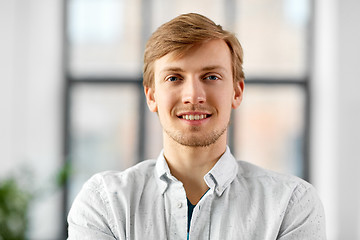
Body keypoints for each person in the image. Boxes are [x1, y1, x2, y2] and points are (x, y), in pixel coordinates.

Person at [67, 13, 326, 239]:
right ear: (151, 96)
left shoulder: (291, 204)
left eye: (211, 77)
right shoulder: (105, 203)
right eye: (174, 78)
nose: (193, 95)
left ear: (237, 92)